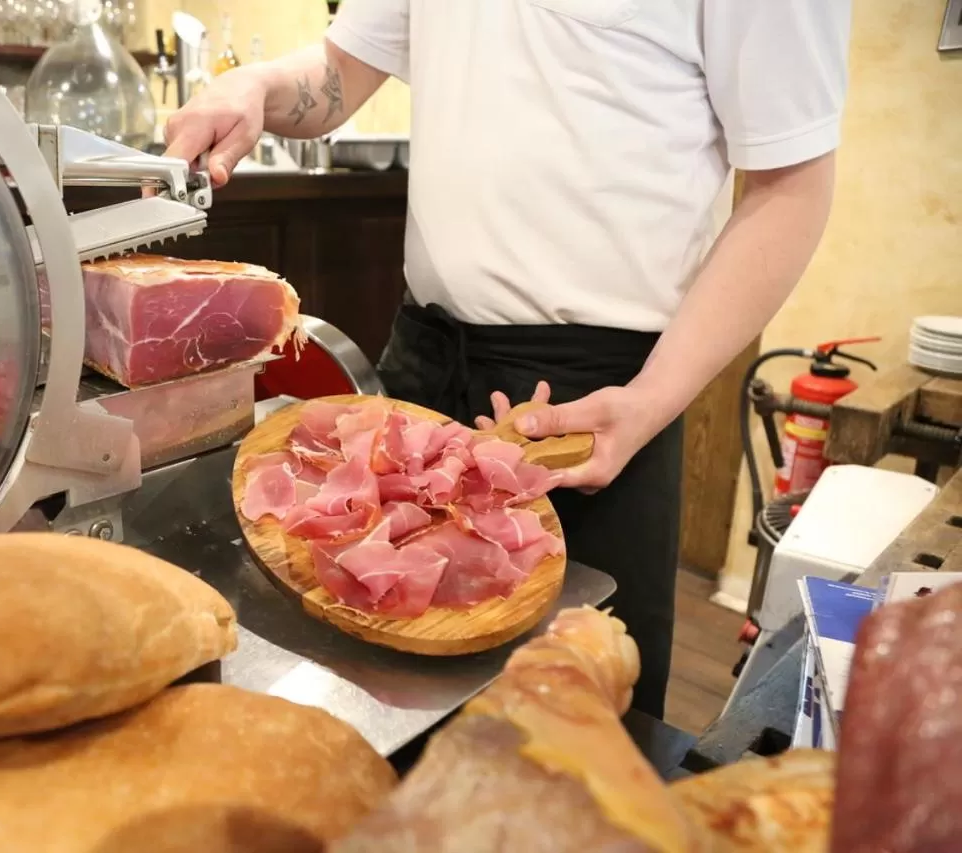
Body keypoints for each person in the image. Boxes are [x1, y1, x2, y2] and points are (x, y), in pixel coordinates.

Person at [163, 0, 852, 719]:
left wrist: (650, 399)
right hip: (422, 365)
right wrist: (257, 88)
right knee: (379, 709)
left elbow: (792, 184)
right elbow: (340, 72)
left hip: (598, 396)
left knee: (577, 733)